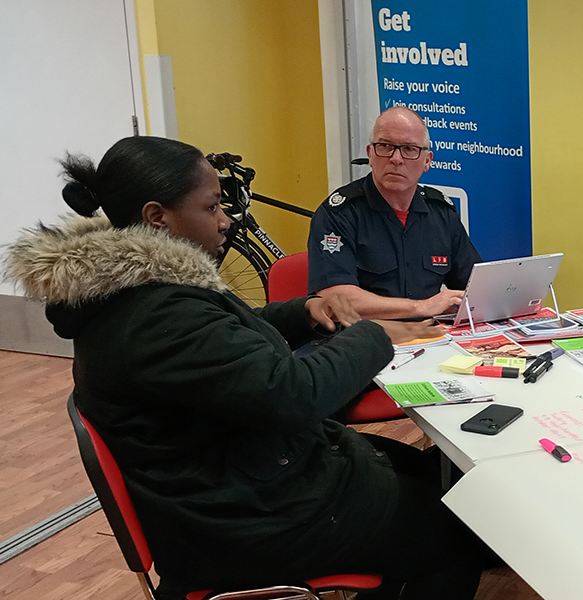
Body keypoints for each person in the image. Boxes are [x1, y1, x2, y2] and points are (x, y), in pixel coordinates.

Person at [5, 136, 490, 599]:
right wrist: (375, 333)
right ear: (158, 218)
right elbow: (295, 395)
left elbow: (227, 334)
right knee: (459, 533)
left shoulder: (145, 292)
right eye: (212, 206)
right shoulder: (155, 316)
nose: (225, 221)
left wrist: (302, 313)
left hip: (243, 476)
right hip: (241, 519)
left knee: (431, 476)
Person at [308, 106, 481, 319]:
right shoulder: (339, 213)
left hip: (431, 340)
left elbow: (475, 287)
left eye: (409, 149)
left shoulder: (442, 213)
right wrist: (421, 307)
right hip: (361, 340)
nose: (396, 158)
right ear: (370, 154)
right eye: (385, 146)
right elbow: (334, 299)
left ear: (427, 160)